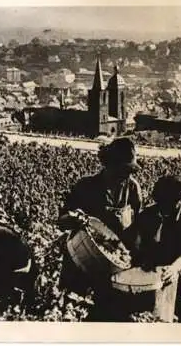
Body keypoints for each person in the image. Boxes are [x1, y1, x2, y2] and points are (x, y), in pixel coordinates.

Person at [57, 137, 142, 321]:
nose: (126, 176)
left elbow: (138, 227)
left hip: (113, 265)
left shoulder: (132, 188)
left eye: (129, 171)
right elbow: (61, 221)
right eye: (122, 170)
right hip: (82, 259)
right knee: (73, 309)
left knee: (105, 314)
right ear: (108, 164)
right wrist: (74, 218)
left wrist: (130, 255)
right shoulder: (86, 186)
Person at [128, 175, 181, 322]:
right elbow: (137, 245)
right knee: (150, 314)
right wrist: (143, 259)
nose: (166, 207)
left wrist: (175, 268)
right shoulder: (147, 215)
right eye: (162, 203)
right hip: (154, 273)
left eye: (172, 203)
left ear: (179, 200)